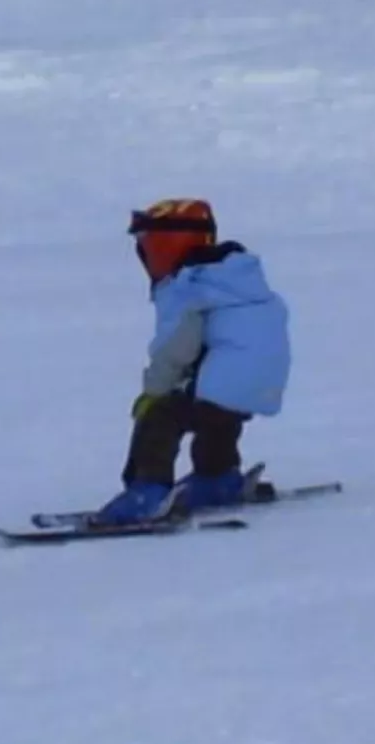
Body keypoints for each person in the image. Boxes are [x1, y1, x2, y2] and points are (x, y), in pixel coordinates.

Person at [93, 199, 293, 525]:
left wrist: (153, 393)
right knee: (219, 414)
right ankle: (217, 476)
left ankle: (149, 491)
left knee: (162, 416)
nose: (147, 254)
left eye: (152, 245)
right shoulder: (238, 279)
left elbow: (175, 350)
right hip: (265, 380)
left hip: (226, 379)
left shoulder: (189, 286)